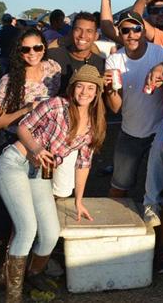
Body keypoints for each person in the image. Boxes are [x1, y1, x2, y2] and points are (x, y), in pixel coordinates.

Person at [0, 65, 107, 302]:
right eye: (80, 86)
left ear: (97, 92)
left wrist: (78, 201)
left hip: (39, 173)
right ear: (72, 88)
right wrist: (36, 148)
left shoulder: (93, 124)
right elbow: (23, 127)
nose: (84, 92)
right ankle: (13, 296)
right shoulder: (56, 105)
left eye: (90, 88)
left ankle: (32, 274)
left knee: (50, 234)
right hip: (15, 162)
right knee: (27, 229)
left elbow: (83, 164)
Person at [102, 9, 163, 270]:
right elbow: (115, 107)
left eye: (136, 29)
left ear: (144, 30)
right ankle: (115, 240)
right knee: (118, 187)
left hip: (158, 131)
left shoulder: (161, 54)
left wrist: (161, 81)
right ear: (119, 34)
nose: (131, 34)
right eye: (125, 30)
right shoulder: (115, 60)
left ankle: (162, 249)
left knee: (160, 192)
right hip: (130, 131)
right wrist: (109, 90)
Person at [0, 28, 61, 285]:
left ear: (44, 47)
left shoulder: (53, 70)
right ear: (18, 52)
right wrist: (27, 109)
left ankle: (32, 266)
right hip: (12, 145)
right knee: (12, 212)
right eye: (26, 49)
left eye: (37, 47)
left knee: (39, 209)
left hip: (42, 149)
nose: (32, 53)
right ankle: (6, 267)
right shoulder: (10, 80)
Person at [47, 12, 106, 199]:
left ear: (96, 35)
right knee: (45, 183)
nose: (83, 36)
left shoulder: (99, 62)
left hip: (81, 131)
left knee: (65, 188)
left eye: (89, 31)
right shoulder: (54, 55)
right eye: (78, 30)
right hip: (52, 130)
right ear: (70, 31)